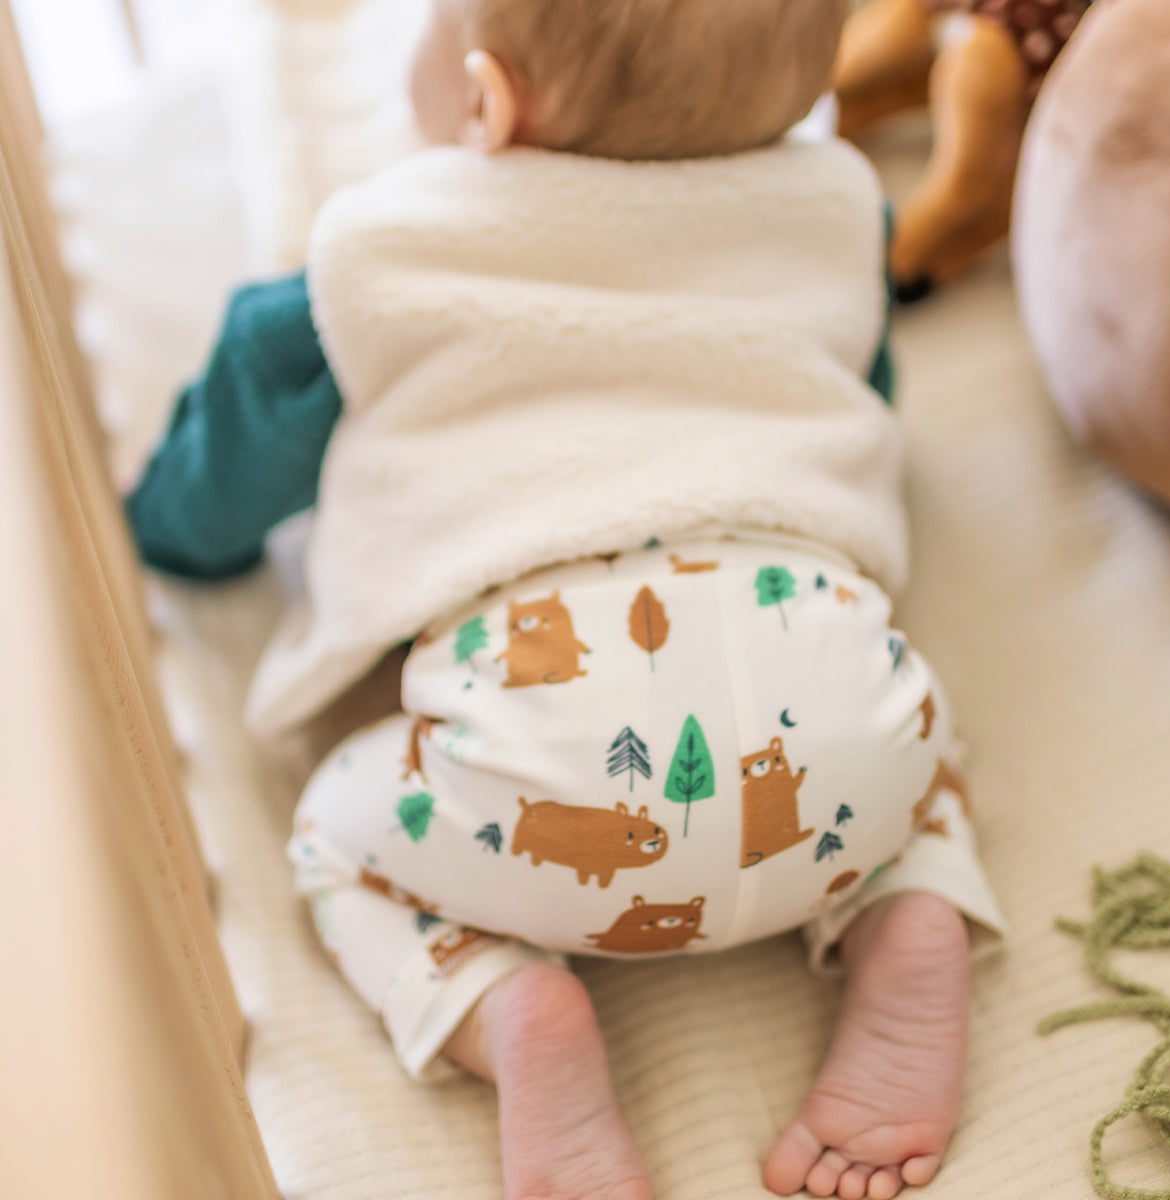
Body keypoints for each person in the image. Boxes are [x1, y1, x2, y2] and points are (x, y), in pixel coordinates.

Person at [128, 2, 1004, 1197]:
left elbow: (221, 476)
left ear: (487, 102)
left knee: (333, 830)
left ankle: (504, 1005)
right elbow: (867, 397)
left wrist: (160, 521)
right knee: (924, 742)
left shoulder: (382, 261)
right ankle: (909, 911)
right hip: (843, 754)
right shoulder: (837, 216)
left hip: (542, 767)